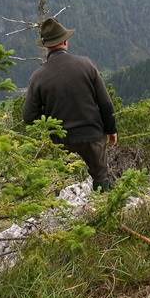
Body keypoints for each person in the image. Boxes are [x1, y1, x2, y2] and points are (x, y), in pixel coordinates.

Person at [23, 17, 117, 191]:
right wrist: (111, 130)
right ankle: (105, 209)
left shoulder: (38, 77)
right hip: (93, 137)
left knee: (65, 183)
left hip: (61, 142)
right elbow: (106, 104)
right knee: (101, 178)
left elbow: (29, 117)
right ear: (65, 42)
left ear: (46, 46)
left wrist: (50, 126)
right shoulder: (86, 65)